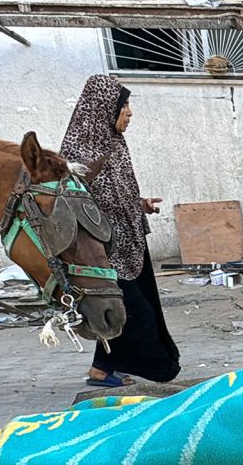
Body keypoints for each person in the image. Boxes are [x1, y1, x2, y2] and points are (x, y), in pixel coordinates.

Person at [61, 74, 180, 387]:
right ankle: (156, 369)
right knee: (134, 312)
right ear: (103, 108)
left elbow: (112, 193)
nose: (129, 113)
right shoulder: (79, 154)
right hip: (102, 253)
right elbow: (74, 203)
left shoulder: (112, 143)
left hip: (131, 246)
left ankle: (101, 369)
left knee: (127, 309)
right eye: (123, 105)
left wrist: (139, 204)